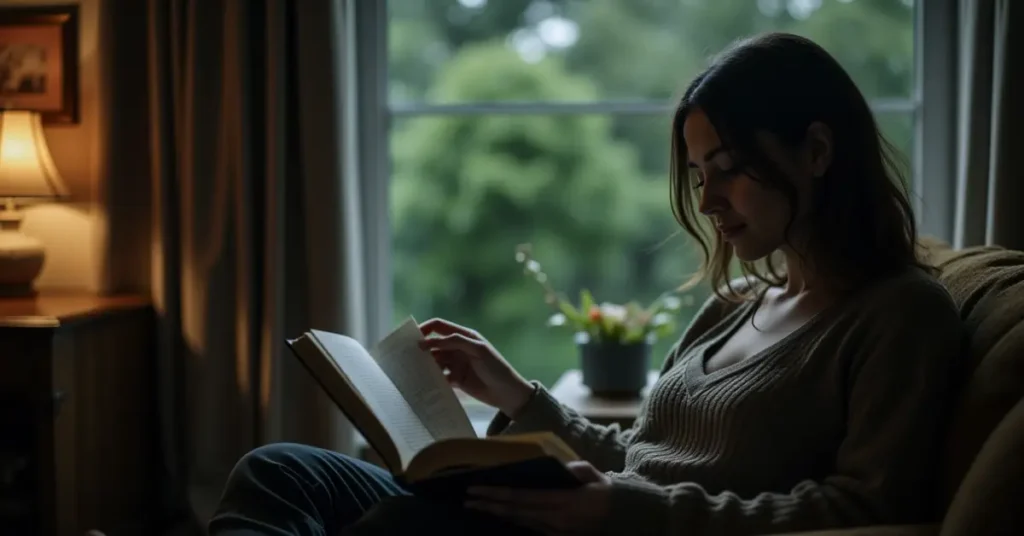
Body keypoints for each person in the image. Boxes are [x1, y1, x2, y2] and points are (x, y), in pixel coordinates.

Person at [208, 32, 966, 536]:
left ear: (818, 152)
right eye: (699, 175)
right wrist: (516, 396)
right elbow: (639, 452)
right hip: (585, 516)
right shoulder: (736, 309)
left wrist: (625, 515)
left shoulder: (900, 316)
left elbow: (868, 508)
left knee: (401, 526)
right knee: (277, 470)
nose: (705, 201)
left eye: (728, 169)